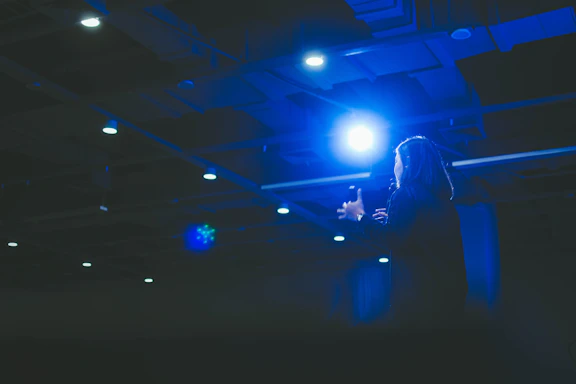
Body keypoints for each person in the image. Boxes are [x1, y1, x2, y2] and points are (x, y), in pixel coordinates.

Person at [337, 136, 468, 328]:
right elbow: (420, 237)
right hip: (449, 301)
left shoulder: (406, 193)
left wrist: (360, 217)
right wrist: (393, 221)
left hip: (418, 304)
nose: (394, 167)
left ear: (407, 163)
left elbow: (392, 239)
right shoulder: (444, 204)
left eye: (396, 160)